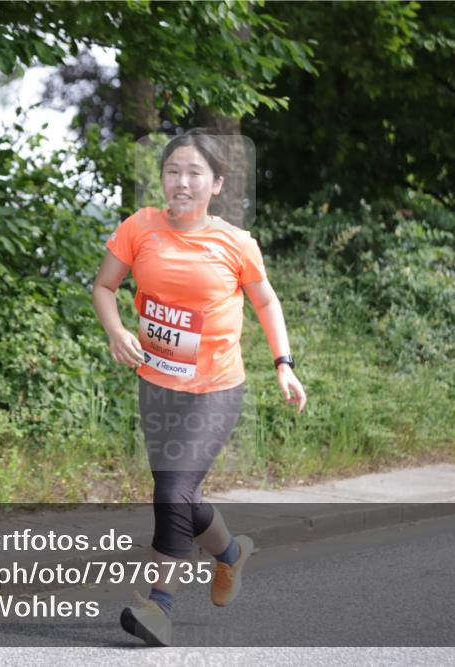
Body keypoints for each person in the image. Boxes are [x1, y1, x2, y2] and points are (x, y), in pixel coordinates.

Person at [91, 128, 307, 646]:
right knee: (182, 494)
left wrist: (284, 363)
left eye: (194, 173)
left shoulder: (235, 242)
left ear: (216, 182)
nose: (181, 182)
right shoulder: (140, 227)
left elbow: (267, 303)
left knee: (171, 491)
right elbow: (103, 287)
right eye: (172, 172)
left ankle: (158, 605)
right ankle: (231, 554)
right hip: (157, 385)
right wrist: (117, 329)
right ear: (162, 178)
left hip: (216, 388)